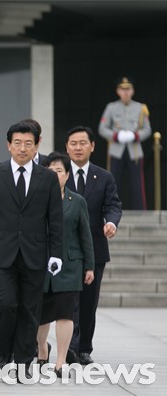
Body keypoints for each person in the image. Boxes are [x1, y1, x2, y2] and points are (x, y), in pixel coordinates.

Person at [0, 120, 63, 378]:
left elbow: (55, 219)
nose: (22, 148)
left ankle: (24, 360)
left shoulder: (48, 178)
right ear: (8, 145)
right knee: (4, 303)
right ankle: (5, 352)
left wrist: (56, 253)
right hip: (3, 252)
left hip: (35, 253)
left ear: (37, 145)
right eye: (17, 143)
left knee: (30, 308)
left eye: (28, 143)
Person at [65, 126, 122, 365]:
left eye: (82, 143)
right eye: (73, 143)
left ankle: (83, 348)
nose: (78, 148)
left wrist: (111, 222)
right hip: (66, 250)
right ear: (67, 147)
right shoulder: (59, 173)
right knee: (69, 302)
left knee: (88, 303)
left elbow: (113, 205)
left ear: (92, 146)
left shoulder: (104, 177)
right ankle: (70, 347)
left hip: (95, 250)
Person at [37, 152, 95, 376]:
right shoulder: (35, 199)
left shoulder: (77, 201)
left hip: (70, 266)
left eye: (59, 171)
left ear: (68, 175)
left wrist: (89, 266)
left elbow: (85, 236)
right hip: (41, 265)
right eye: (50, 171)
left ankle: (60, 361)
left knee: (65, 314)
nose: (54, 175)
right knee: (40, 315)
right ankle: (42, 349)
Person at [99, 77, 151, 210]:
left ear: (133, 91)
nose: (125, 92)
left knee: (137, 184)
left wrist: (135, 135)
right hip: (116, 150)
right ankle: (111, 210)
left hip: (135, 151)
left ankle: (141, 213)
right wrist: (116, 136)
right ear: (118, 91)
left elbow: (147, 130)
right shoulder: (111, 107)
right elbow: (102, 128)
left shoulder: (140, 108)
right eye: (122, 89)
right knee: (113, 182)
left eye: (128, 89)